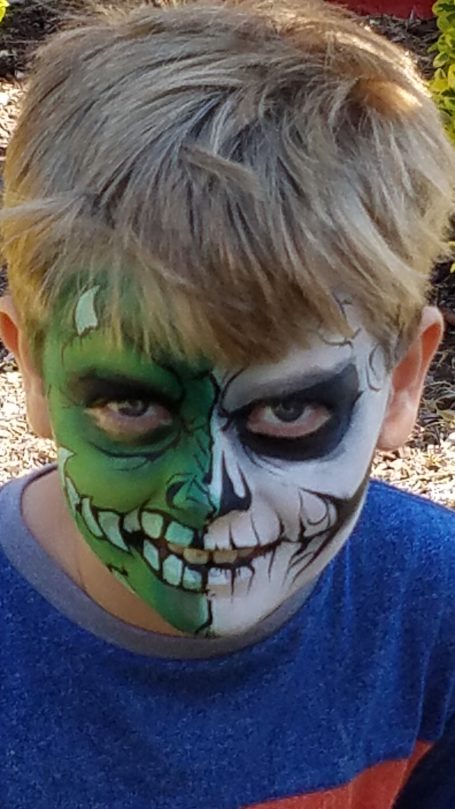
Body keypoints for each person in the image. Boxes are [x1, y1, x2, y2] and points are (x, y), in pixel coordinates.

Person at [0, 0, 454, 806]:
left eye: (287, 413)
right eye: (133, 408)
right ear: (35, 371)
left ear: (402, 380)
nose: (211, 495)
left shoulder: (432, 609)